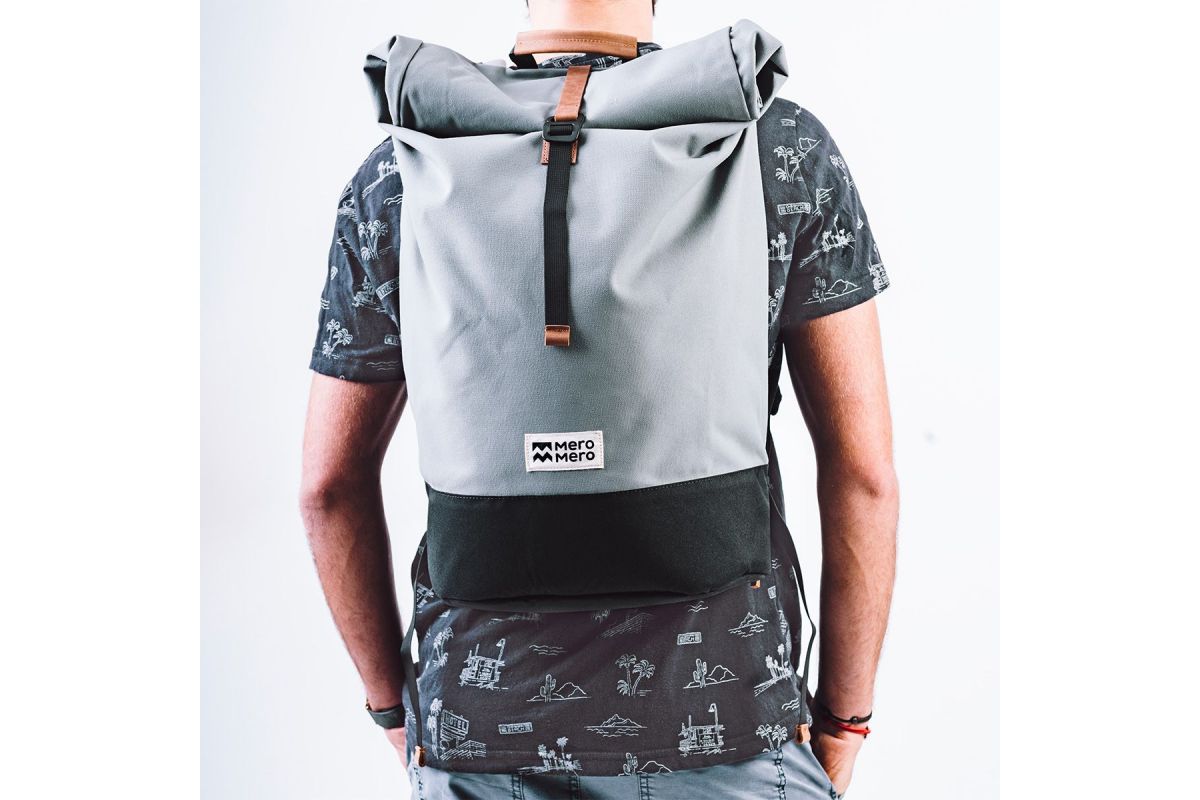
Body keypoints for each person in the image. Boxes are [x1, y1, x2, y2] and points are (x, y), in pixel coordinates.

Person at [300, 1, 898, 797]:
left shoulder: (402, 170)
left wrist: (392, 707)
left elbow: (327, 486)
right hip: (732, 734)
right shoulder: (772, 146)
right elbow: (863, 474)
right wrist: (844, 723)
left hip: (478, 735)